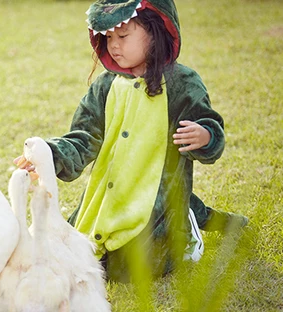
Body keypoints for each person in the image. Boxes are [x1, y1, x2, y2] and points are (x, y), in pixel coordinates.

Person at [16, 0, 248, 282]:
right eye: (109, 37)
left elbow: (210, 127)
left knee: (135, 270)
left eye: (123, 36)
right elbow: (83, 138)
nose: (114, 45)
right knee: (81, 261)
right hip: (107, 200)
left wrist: (206, 136)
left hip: (158, 206)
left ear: (155, 30)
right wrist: (49, 155)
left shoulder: (182, 83)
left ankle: (186, 223)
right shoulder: (104, 86)